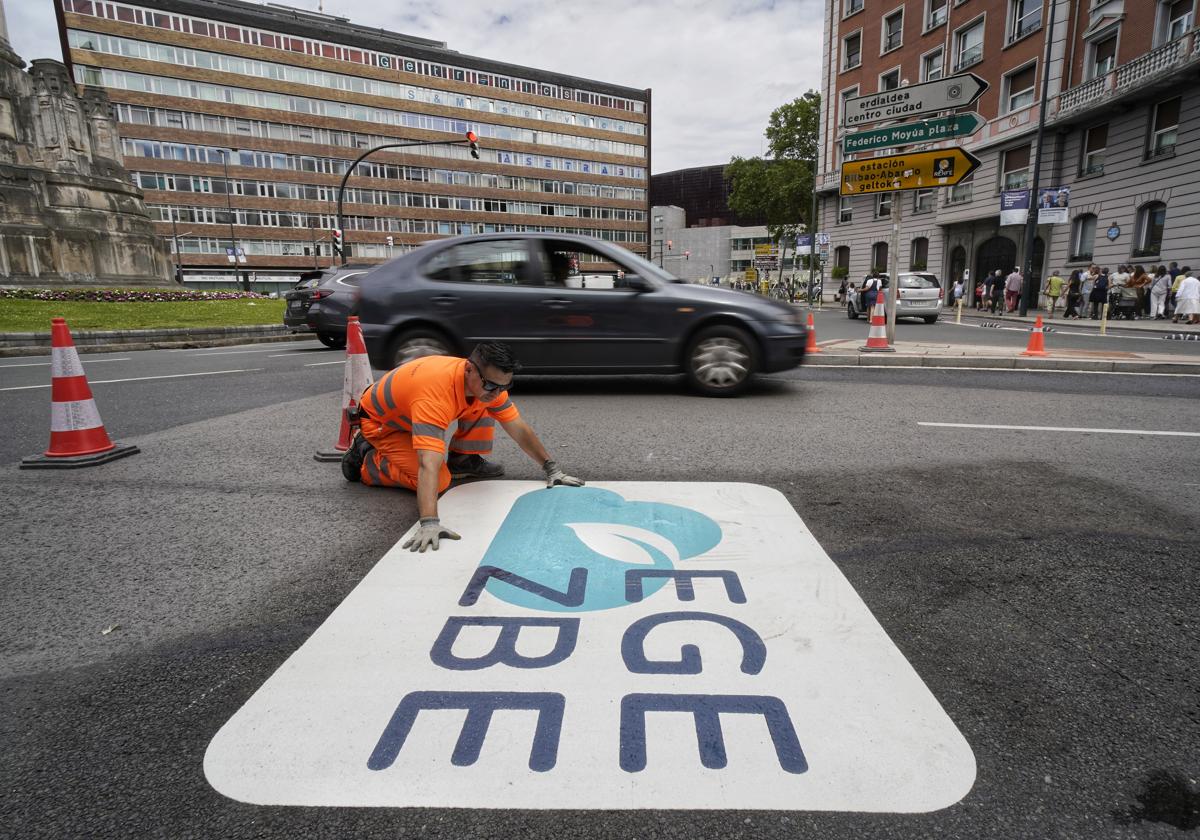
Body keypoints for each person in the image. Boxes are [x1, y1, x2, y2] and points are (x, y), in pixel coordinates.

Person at [342, 342, 585, 552]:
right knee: (439, 481)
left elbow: (518, 428)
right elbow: (429, 462)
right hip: (384, 424)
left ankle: (463, 460)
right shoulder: (435, 394)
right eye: (492, 386)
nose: (497, 393)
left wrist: (551, 468)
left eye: (504, 387)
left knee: (484, 404)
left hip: (410, 410)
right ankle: (365, 457)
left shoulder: (484, 383)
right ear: (469, 369)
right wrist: (429, 522)